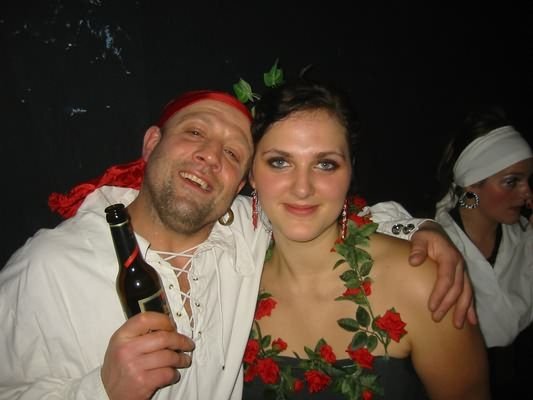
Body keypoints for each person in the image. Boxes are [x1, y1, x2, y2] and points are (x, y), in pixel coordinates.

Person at [0, 90, 471, 400]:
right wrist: (102, 391)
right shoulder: (47, 267)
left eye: (232, 152)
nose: (210, 156)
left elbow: (321, 209)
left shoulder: (243, 238)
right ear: (151, 143)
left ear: (242, 182)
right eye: (195, 132)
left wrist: (423, 228)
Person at [242, 81, 490, 399]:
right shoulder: (230, 285)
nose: (302, 188)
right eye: (280, 162)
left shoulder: (423, 282)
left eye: (325, 164)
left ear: (350, 172)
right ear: (251, 172)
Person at [434, 106, 533, 397]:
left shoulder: (523, 239)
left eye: (528, 180)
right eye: (512, 181)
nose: (527, 193)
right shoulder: (436, 243)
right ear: (473, 185)